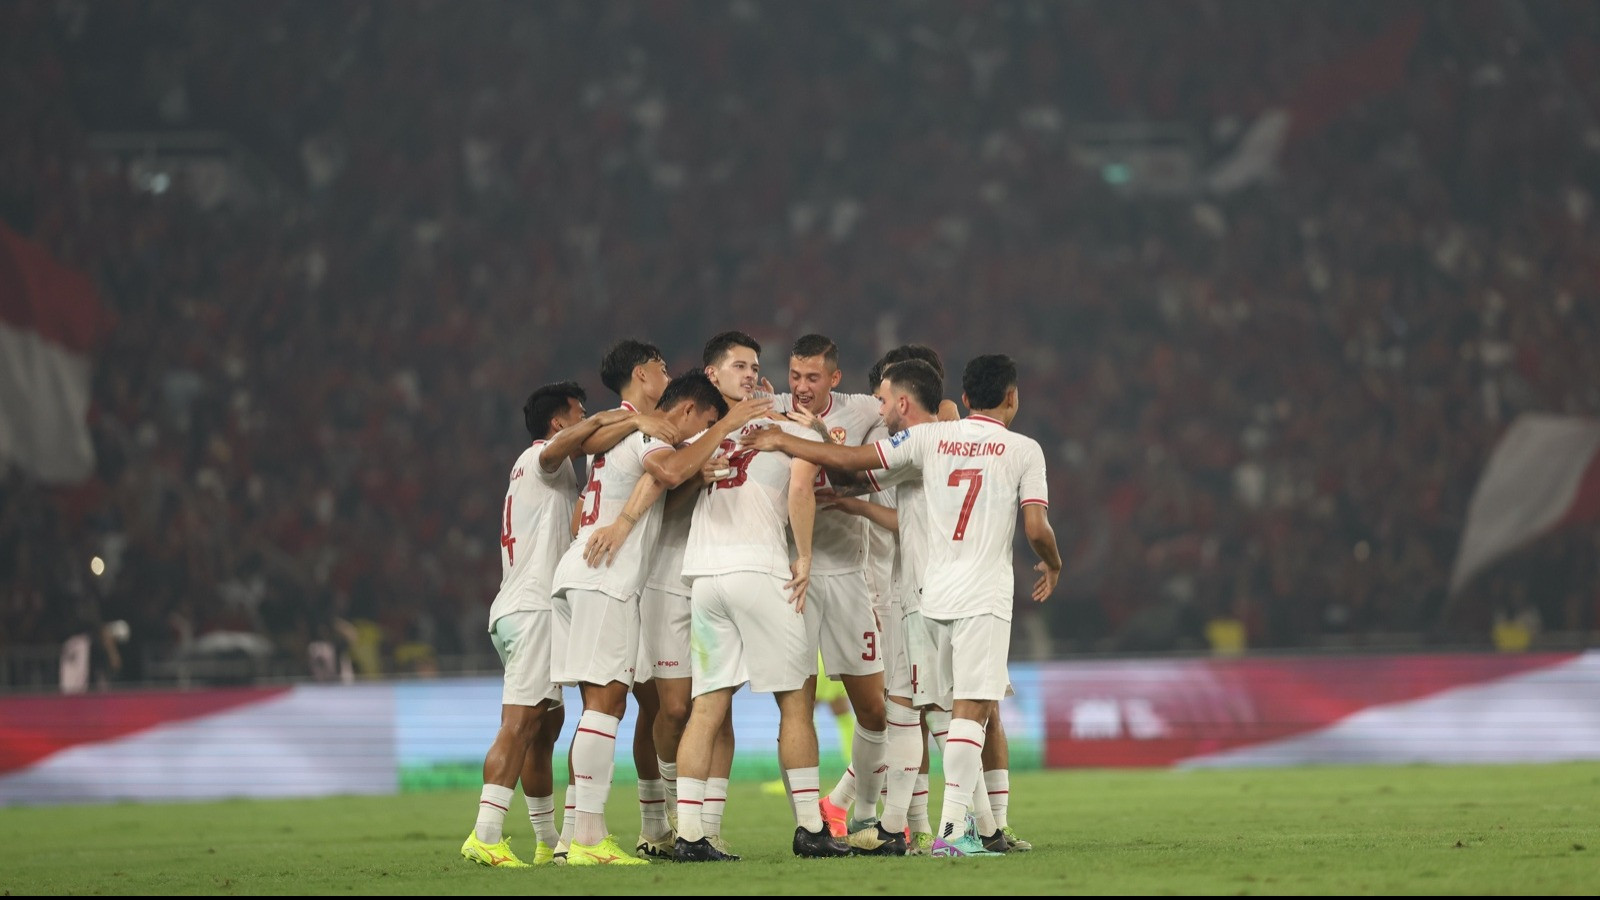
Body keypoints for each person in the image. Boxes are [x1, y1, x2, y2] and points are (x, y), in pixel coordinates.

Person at [743, 353, 1062, 858]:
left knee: (922, 708)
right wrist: (1054, 562)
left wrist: (787, 439)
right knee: (960, 711)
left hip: (928, 592)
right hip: (977, 593)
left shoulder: (925, 441)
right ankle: (954, 831)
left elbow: (850, 468)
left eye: (887, 399)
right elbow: (1037, 528)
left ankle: (929, 826)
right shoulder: (1022, 449)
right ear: (1011, 397)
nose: (880, 408)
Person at [549, 354, 770, 866]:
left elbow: (661, 482)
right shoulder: (653, 434)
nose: (709, 431)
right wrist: (729, 427)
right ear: (690, 411)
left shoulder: (624, 428)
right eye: (708, 423)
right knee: (604, 710)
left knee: (601, 710)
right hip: (606, 576)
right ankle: (586, 840)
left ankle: (571, 838)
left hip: (583, 573)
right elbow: (667, 468)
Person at [460, 380, 638, 868]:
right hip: (533, 608)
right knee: (518, 725)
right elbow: (561, 445)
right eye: (579, 413)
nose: (586, 419)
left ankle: (546, 840)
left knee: (546, 726)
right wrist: (627, 419)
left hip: (524, 606)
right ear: (560, 423)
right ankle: (486, 833)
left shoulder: (559, 480)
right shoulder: (538, 456)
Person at [669, 394, 852, 861]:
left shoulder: (707, 437)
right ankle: (811, 828)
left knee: (706, 707)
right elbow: (800, 490)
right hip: (761, 571)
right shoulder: (795, 435)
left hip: (706, 578)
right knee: (795, 703)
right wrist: (805, 555)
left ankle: (689, 835)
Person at [759, 334, 890, 841]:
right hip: (789, 576)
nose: (801, 387)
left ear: (834, 378)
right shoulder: (769, 409)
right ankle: (809, 825)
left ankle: (861, 813)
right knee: (797, 704)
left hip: (845, 575)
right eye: (795, 377)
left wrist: (820, 438)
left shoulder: (861, 411)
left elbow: (866, 478)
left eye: (812, 377)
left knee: (874, 709)